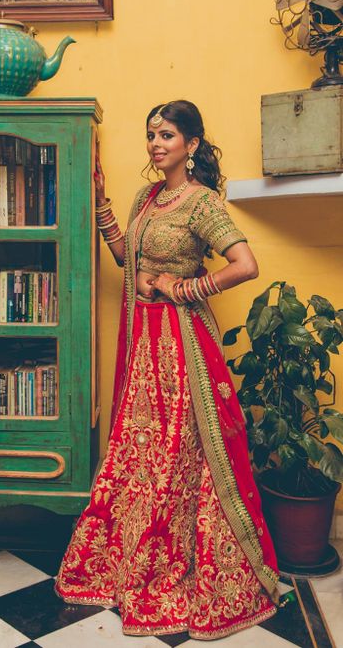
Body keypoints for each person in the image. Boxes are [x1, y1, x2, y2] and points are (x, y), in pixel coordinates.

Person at [54, 101, 281, 639]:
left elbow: (245, 265)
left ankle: (180, 567)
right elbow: (127, 262)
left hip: (181, 351)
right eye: (152, 134)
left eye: (168, 136)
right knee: (140, 455)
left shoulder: (202, 204)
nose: (157, 144)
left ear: (192, 145)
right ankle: (131, 564)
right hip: (143, 349)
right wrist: (104, 208)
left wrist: (185, 288)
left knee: (178, 460)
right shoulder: (148, 197)